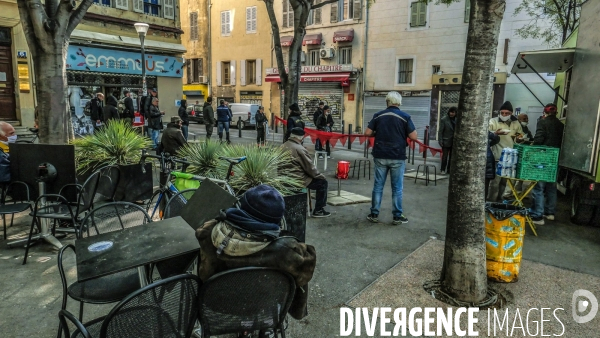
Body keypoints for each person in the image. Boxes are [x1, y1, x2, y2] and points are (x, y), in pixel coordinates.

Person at [365, 91, 418, 225]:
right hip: (397, 156)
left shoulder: (378, 115)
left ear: (387, 101)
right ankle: (397, 216)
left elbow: (367, 133)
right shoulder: (405, 117)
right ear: (399, 102)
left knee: (378, 186)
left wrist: (378, 132)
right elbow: (413, 136)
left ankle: (374, 214)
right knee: (397, 188)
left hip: (380, 155)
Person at [282, 127, 331, 217]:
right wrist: (320, 176)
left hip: (283, 178)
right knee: (323, 183)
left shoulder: (284, 145)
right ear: (301, 138)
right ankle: (319, 210)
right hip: (297, 179)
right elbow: (310, 168)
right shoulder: (299, 149)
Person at [530, 103, 564, 225]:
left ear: (545, 111)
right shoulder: (561, 125)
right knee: (551, 186)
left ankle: (537, 215)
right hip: (555, 158)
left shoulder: (542, 122)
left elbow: (539, 139)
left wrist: (533, 147)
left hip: (543, 156)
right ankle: (550, 213)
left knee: (538, 186)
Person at [487, 101, 524, 201]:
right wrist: (495, 133)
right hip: (497, 155)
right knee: (495, 182)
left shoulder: (516, 123)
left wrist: (520, 139)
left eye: (506, 113)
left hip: (510, 157)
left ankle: (500, 201)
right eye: (502, 113)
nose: (504, 115)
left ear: (511, 113)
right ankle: (491, 201)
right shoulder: (493, 121)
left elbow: (519, 136)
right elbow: (486, 133)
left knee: (505, 182)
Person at [438, 106, 457, 174]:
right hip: (446, 141)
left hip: (454, 142)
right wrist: (440, 140)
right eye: (450, 112)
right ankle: (442, 169)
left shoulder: (457, 120)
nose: (451, 114)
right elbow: (440, 131)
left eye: (453, 112)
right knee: (445, 157)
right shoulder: (444, 119)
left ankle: (449, 170)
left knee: (452, 157)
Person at [485, 131, 501, 200]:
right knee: (484, 188)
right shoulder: (486, 133)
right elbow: (496, 138)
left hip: (487, 164)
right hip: (487, 164)